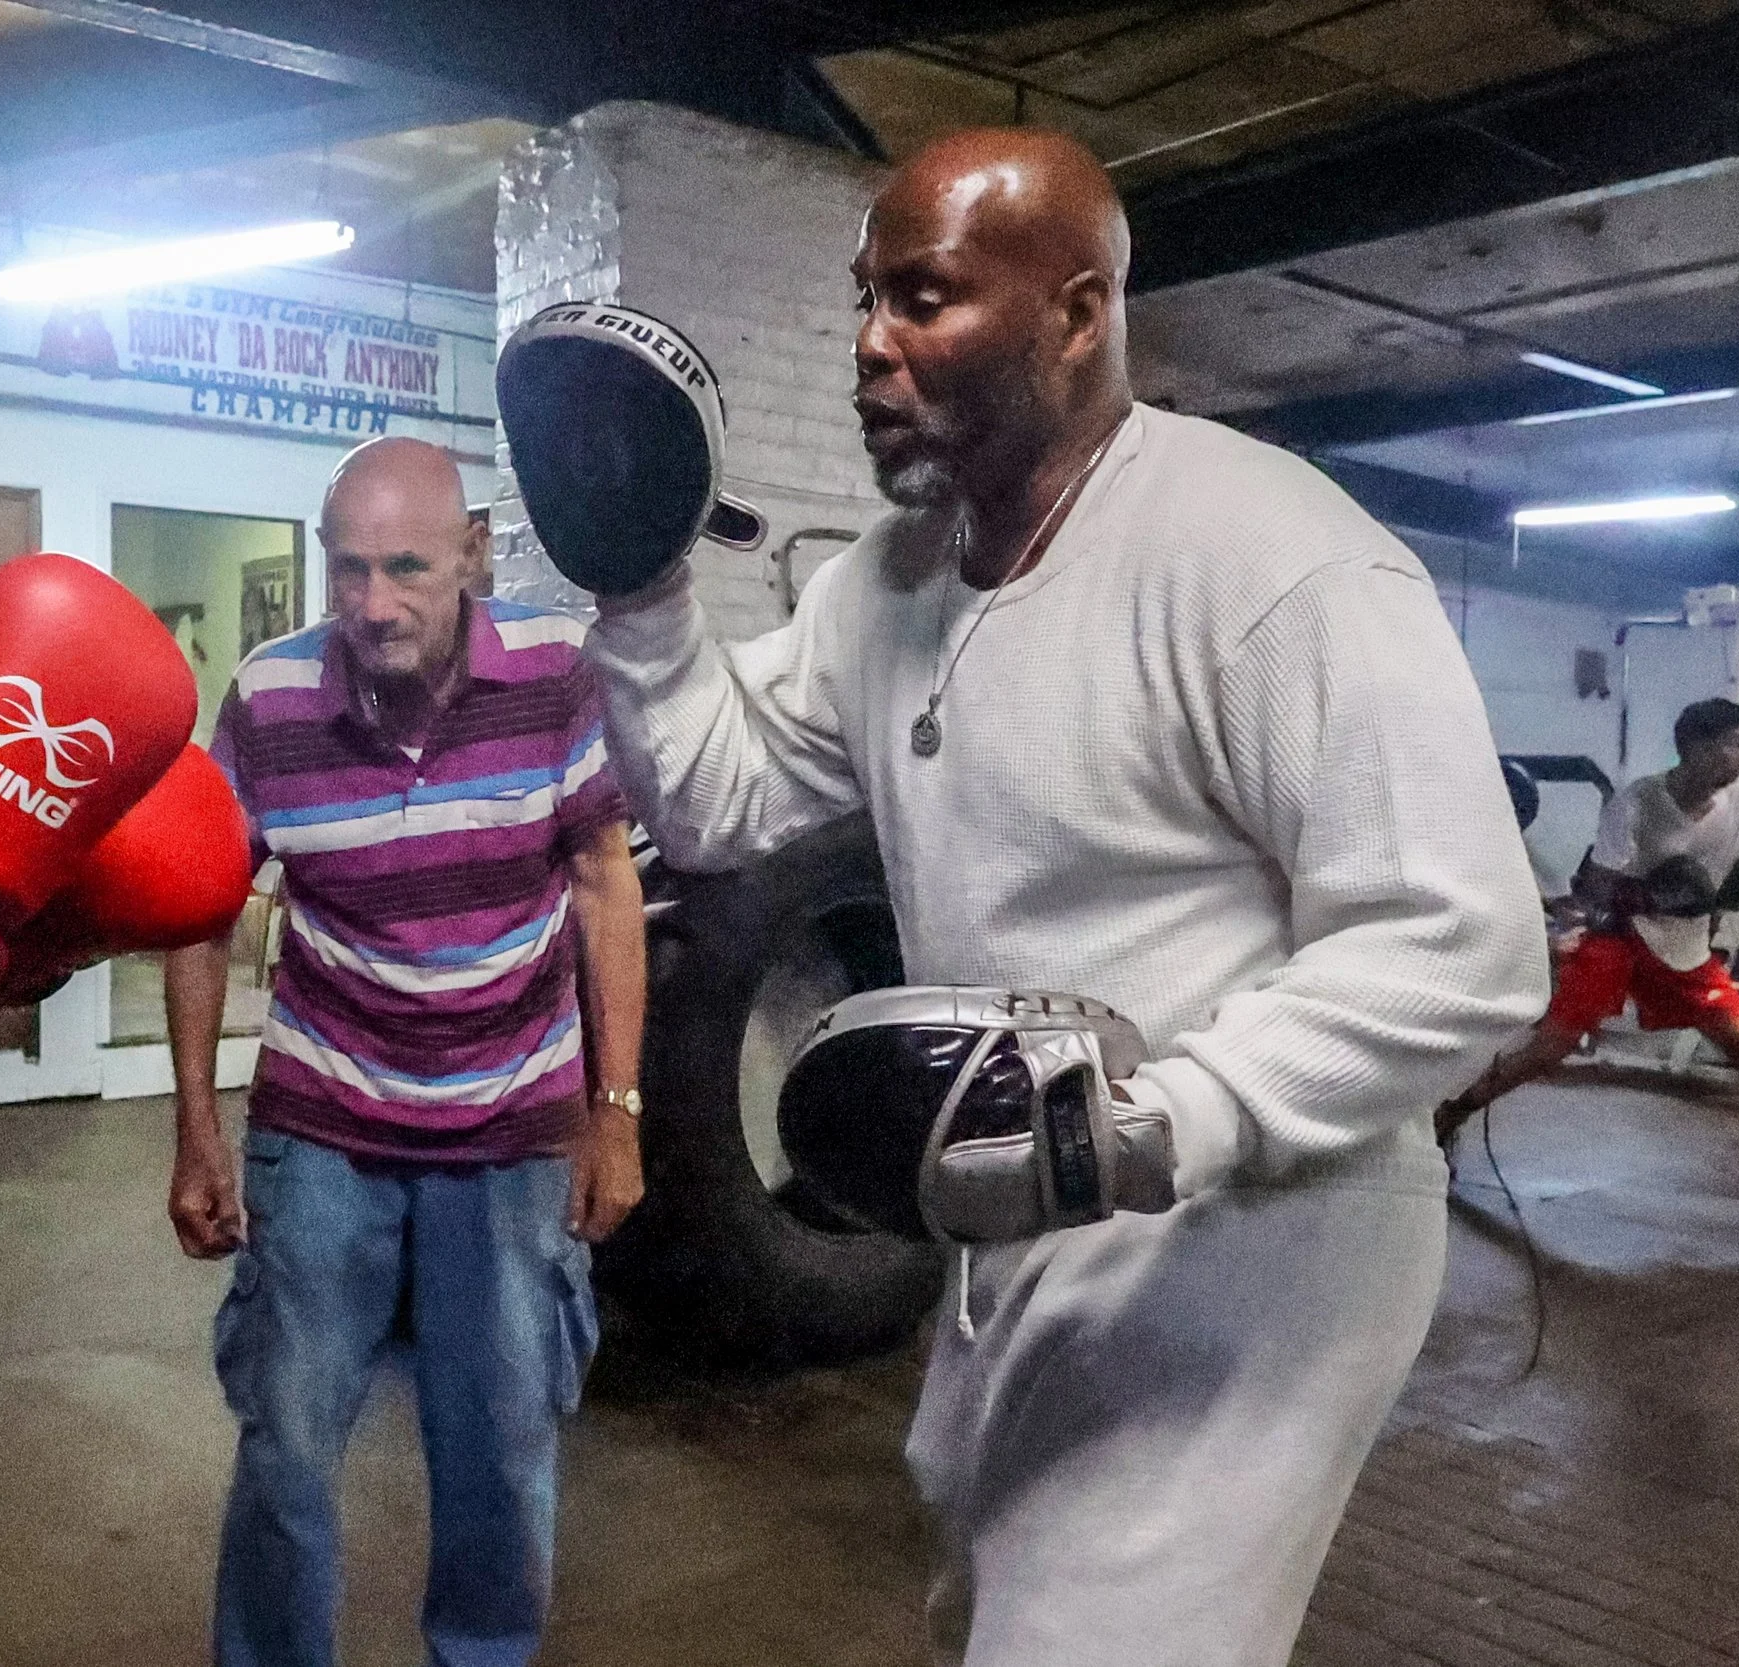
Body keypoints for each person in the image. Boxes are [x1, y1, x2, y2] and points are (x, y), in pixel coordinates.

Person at [579, 129, 1549, 1666]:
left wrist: (1147, 1124)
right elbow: (715, 800)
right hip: (1021, 1218)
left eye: (924, 298)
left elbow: (1465, 943)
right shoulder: (885, 583)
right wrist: (638, 593)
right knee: (991, 1601)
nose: (869, 344)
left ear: (1078, 314)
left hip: (1268, 1225)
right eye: (864, 300)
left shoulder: (1270, 554)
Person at [164, 436, 647, 1667]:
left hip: (515, 1127)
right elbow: (199, 912)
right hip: (325, 1120)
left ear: (472, 556)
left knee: (500, 1452)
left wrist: (617, 1109)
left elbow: (605, 883)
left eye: (407, 568)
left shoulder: (552, 672)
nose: (373, 604)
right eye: (349, 568)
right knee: (284, 1442)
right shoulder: (270, 699)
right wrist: (197, 1127)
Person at [1441, 698, 1739, 1204]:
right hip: (1620, 937)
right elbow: (1596, 884)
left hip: (1684, 947)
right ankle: (1451, 1113)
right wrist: (1650, 894)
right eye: (1735, 744)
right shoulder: (1638, 801)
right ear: (1695, 747)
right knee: (1549, 1049)